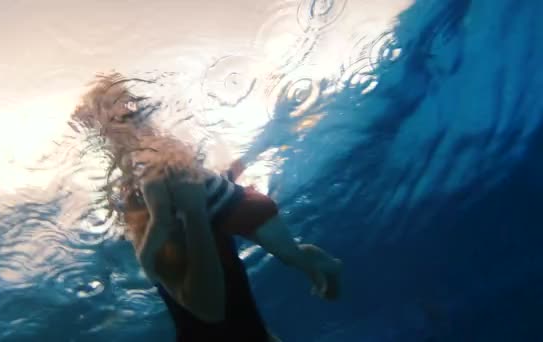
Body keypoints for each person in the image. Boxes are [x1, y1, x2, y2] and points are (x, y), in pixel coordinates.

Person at [72, 73, 342, 341]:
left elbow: (164, 219)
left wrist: (151, 255)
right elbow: (200, 186)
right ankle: (318, 267)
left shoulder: (150, 171)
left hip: (240, 209)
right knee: (290, 253)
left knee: (290, 254)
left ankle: (321, 266)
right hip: (240, 205)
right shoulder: (163, 157)